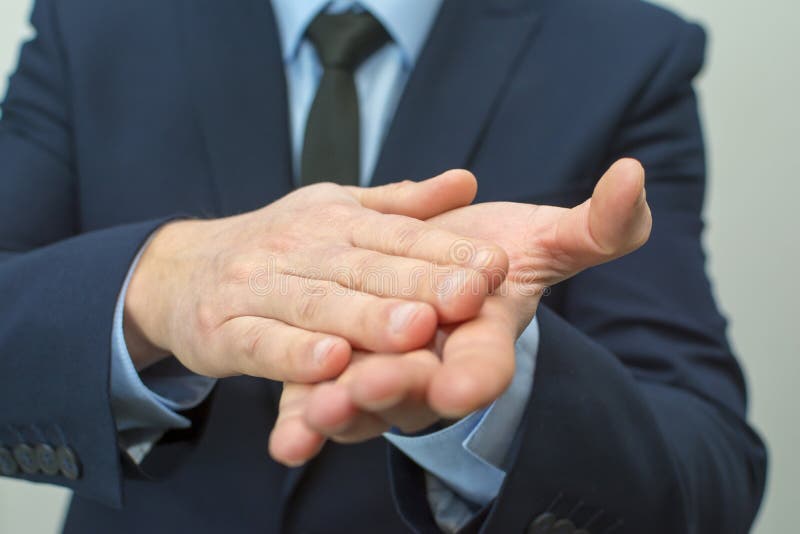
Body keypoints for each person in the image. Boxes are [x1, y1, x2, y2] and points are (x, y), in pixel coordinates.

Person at [0, 0, 767, 532]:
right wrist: (154, 285)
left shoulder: (627, 53)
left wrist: (503, 397)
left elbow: (710, 473)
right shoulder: (91, 18)